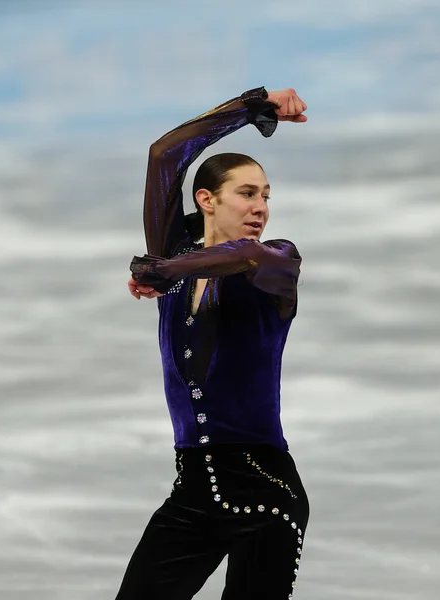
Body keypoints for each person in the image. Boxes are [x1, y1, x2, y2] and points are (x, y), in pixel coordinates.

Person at [118, 87, 309, 600]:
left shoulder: (277, 263)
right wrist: (251, 107)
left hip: (266, 493)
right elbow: (165, 155)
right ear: (207, 199)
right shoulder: (175, 258)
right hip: (194, 493)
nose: (261, 206)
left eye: (266, 195)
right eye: (247, 193)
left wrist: (161, 269)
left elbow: (244, 257)